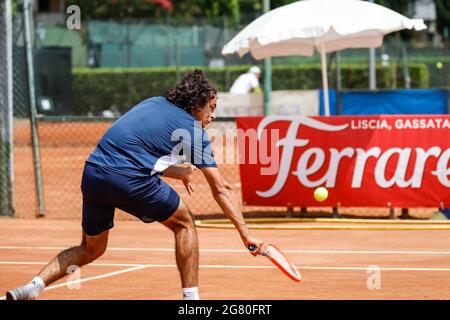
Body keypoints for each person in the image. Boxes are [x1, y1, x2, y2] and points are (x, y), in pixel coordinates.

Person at [6, 69, 264, 300]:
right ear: (197, 104)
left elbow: (134, 150)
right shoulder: (194, 132)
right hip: (128, 179)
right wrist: (245, 234)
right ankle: (191, 301)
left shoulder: (152, 103)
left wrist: (178, 172)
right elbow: (220, 188)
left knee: (91, 248)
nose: (213, 115)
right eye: (211, 107)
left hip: (94, 174)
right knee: (184, 222)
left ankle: (32, 288)